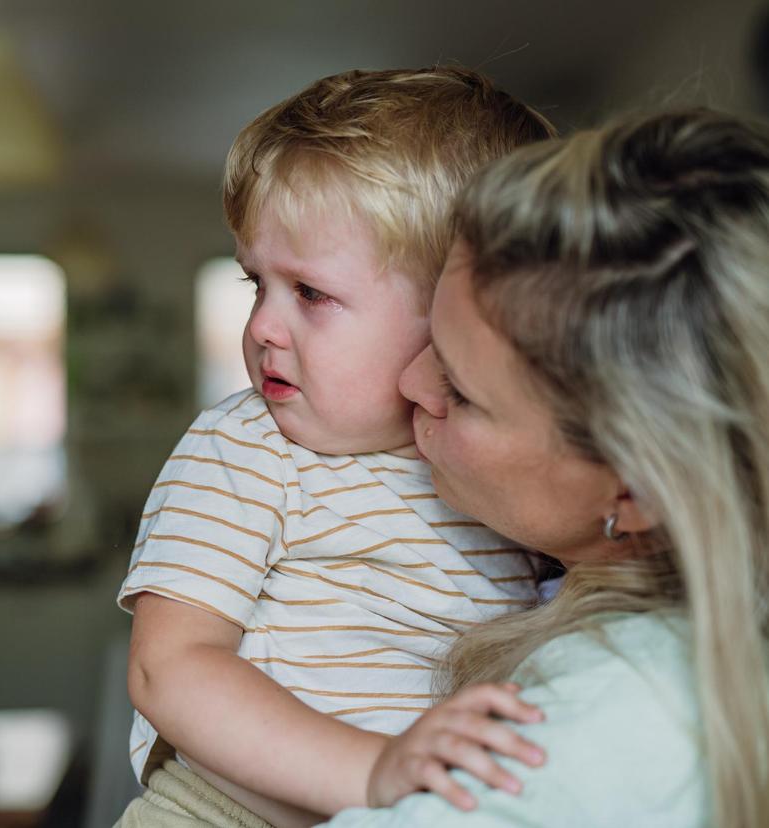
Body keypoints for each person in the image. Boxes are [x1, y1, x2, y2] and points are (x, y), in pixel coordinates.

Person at [116, 67, 555, 827]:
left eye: (310, 294)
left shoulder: (491, 471)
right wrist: (375, 772)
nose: (261, 327)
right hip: (219, 811)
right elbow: (170, 666)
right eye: (256, 284)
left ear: (454, 314)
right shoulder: (244, 444)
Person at [325, 107, 769, 828]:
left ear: (636, 489)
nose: (410, 383)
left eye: (462, 394)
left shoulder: (601, 729)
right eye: (430, 337)